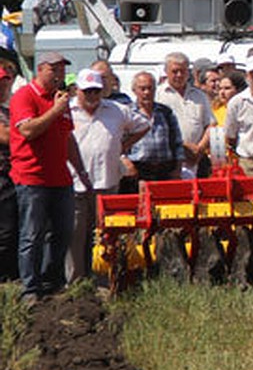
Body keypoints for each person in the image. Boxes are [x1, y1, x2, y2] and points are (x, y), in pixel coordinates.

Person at [9, 52, 91, 302]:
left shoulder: (61, 101)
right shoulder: (25, 96)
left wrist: (81, 171)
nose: (59, 75)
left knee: (63, 231)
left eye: (62, 70)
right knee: (31, 234)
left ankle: (52, 281)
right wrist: (56, 110)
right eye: (54, 70)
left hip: (60, 178)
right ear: (41, 69)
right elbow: (27, 130)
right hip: (32, 177)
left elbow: (67, 139)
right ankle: (30, 288)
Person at [68, 68, 151, 283]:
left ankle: (104, 279)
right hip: (75, 182)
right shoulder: (67, 110)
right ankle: (76, 281)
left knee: (104, 233)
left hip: (107, 181)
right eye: (87, 92)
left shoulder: (117, 110)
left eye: (96, 91)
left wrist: (123, 146)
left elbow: (144, 125)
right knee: (76, 235)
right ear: (78, 91)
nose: (92, 96)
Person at [157, 52, 214, 179]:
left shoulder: (199, 96)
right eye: (175, 71)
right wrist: (185, 147)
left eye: (183, 71)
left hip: (198, 161)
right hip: (171, 160)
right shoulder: (159, 95)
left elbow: (210, 124)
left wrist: (199, 149)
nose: (179, 75)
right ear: (166, 71)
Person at [125, 71, 185, 188]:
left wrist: (177, 169)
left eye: (150, 88)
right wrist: (126, 163)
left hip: (165, 171)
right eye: (142, 89)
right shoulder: (127, 113)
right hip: (138, 170)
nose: (147, 92)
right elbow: (118, 143)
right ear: (134, 90)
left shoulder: (165, 112)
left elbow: (177, 143)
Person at [0, 65, 18, 281]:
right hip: (2, 175)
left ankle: (12, 276)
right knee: (4, 231)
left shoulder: (9, 110)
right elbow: (6, 137)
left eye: (5, 82)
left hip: (15, 174)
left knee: (13, 229)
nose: (3, 86)